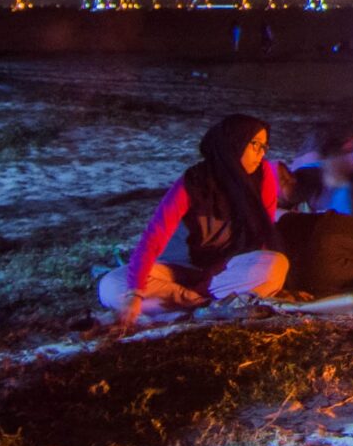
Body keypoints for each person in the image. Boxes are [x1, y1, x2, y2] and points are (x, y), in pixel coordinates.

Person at [99, 113, 290, 325]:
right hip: (177, 270)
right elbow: (154, 236)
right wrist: (135, 293)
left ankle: (179, 311)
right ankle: (206, 306)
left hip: (222, 272)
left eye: (265, 147)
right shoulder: (195, 182)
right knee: (110, 285)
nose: (261, 153)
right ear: (235, 143)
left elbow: (263, 233)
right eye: (256, 145)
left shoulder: (262, 178)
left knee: (275, 265)